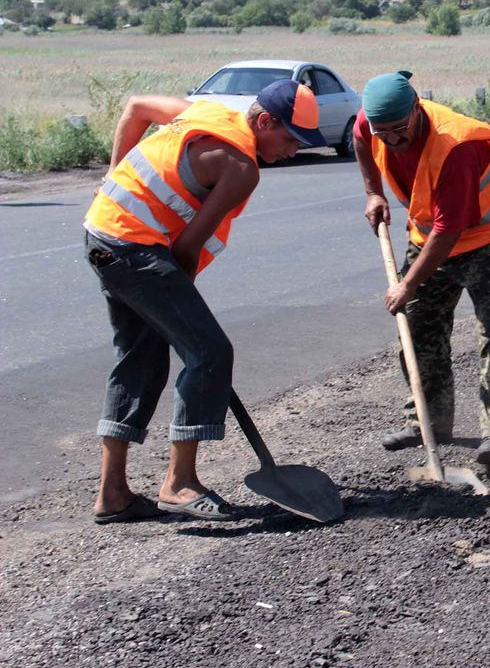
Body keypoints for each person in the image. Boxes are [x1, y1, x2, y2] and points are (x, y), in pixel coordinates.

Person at [83, 80, 326, 524]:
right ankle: (179, 484)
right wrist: (182, 306)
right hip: (137, 250)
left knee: (140, 359)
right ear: (266, 121)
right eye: (291, 138)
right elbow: (187, 250)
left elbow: (136, 104)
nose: (294, 150)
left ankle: (112, 494)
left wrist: (113, 177)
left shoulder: (203, 111)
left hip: (103, 234)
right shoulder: (241, 167)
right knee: (209, 352)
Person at [353, 71, 490, 472]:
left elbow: (450, 232)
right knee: (417, 328)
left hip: (486, 240)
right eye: (384, 132)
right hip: (429, 234)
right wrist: (373, 191)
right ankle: (427, 424)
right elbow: (360, 139)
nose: (392, 140)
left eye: (399, 129)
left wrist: (407, 284)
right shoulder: (371, 123)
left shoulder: (457, 145)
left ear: (417, 107)